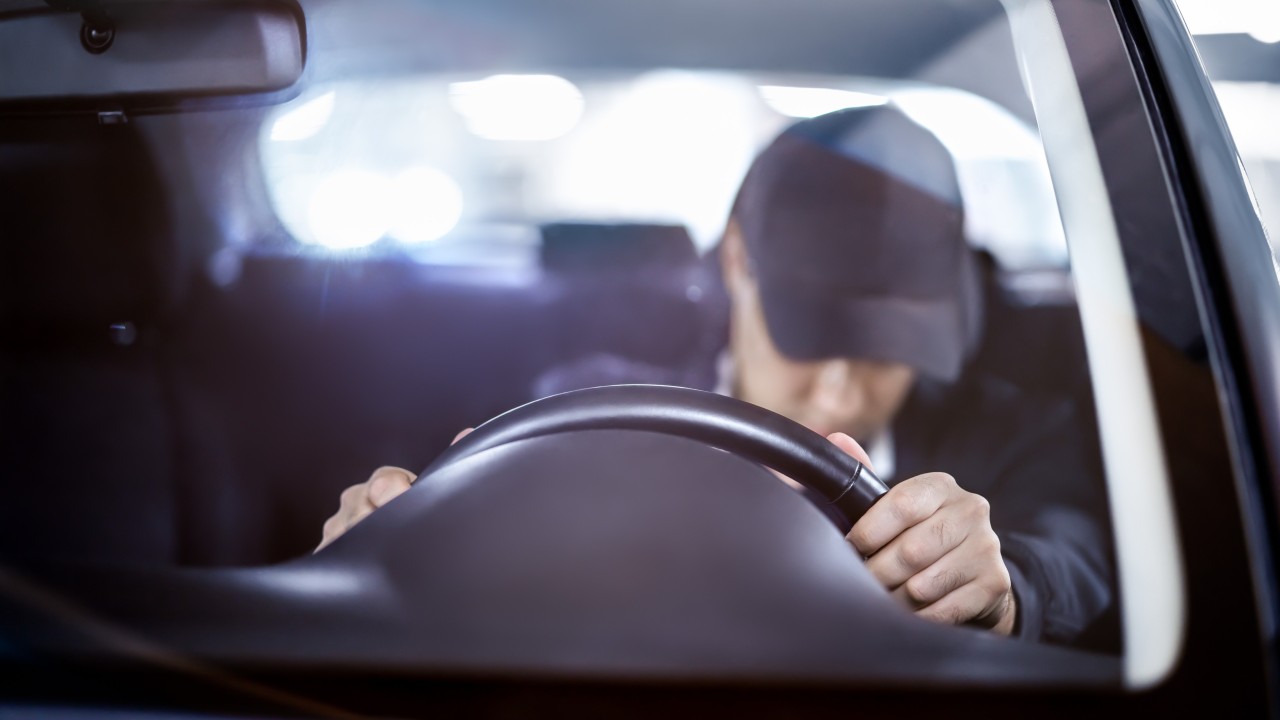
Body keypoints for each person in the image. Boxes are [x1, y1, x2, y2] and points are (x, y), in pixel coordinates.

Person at [316, 106, 1115, 648]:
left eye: (886, 347)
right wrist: (386, 547)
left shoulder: (1018, 435)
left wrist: (1000, 591)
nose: (838, 391)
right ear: (738, 261)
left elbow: (1073, 564)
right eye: (809, 335)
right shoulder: (588, 413)